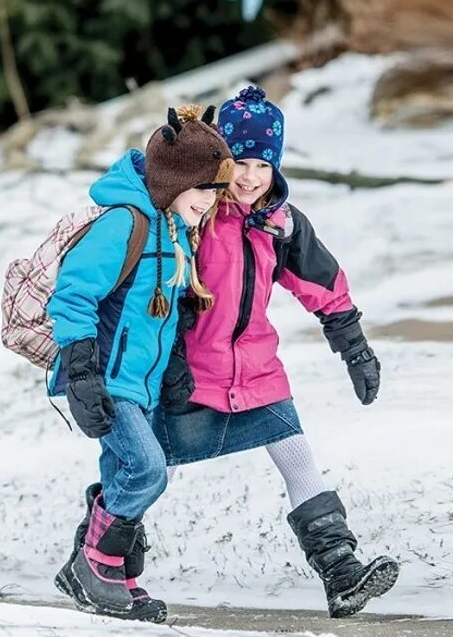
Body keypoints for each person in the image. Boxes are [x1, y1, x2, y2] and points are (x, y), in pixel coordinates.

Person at [155, 85, 398, 618]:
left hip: (256, 368)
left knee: (296, 457)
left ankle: (342, 574)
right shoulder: (197, 214)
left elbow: (324, 285)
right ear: (220, 162)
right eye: (239, 161)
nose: (249, 176)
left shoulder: (279, 224)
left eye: (262, 164)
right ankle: (100, 552)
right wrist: (169, 362)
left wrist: (354, 349)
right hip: (189, 370)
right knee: (151, 469)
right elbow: (165, 291)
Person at [49, 105, 234, 622]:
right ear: (175, 181)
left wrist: (174, 368)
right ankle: (94, 563)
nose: (210, 201)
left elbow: (166, 308)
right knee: (148, 471)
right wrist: (82, 375)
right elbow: (71, 298)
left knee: (124, 474)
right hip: (108, 379)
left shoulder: (175, 231)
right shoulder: (124, 224)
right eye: (204, 189)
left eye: (216, 191)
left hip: (142, 382)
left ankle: (116, 577)